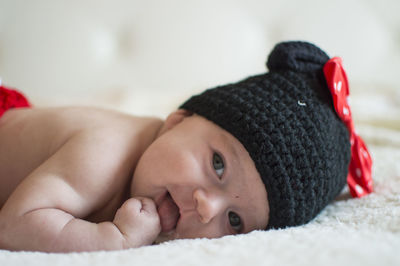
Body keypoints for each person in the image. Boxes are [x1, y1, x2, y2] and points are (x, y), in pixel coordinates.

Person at [0, 41, 373, 252]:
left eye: (235, 221)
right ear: (177, 120)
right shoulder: (102, 155)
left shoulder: (155, 169)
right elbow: (14, 225)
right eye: (219, 165)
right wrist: (113, 238)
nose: (208, 206)